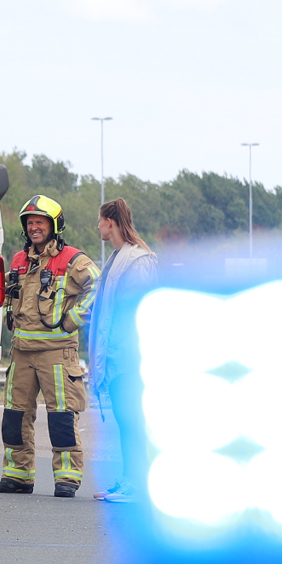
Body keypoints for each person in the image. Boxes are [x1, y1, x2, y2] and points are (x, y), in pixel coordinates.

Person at [0, 195, 100, 497]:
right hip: (21, 352)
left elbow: (98, 286)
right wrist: (7, 318)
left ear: (54, 226)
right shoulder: (18, 259)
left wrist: (74, 318)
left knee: (62, 417)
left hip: (57, 353)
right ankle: (18, 475)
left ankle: (67, 478)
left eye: (40, 222)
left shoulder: (73, 260)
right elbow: (8, 296)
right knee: (14, 416)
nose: (34, 228)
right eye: (29, 223)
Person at [84, 199, 158, 503]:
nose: (97, 226)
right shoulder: (118, 258)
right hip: (115, 358)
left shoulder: (137, 260)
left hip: (129, 360)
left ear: (110, 222)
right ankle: (129, 480)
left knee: (132, 422)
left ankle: (138, 485)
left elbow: (137, 311)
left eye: (100, 220)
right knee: (125, 422)